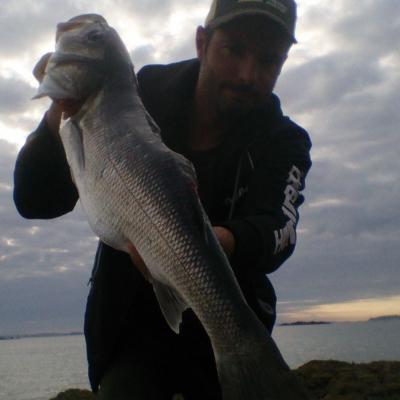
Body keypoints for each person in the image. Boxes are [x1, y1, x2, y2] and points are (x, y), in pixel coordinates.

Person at [13, 0, 312, 398]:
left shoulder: (285, 141)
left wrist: (207, 246)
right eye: (234, 49)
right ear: (202, 43)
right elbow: (34, 201)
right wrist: (61, 113)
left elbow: (279, 230)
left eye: (268, 60)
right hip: (127, 330)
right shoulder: (143, 91)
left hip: (230, 324)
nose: (247, 73)